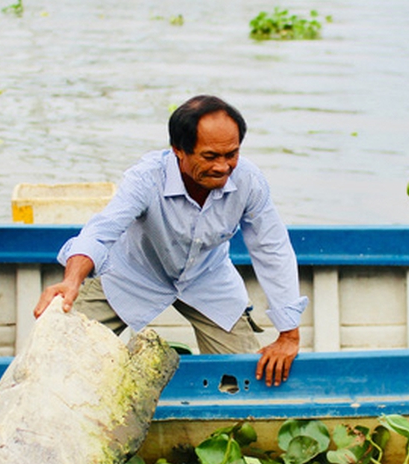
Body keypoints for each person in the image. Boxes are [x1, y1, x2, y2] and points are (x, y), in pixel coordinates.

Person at [33, 95, 308, 386]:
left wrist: (288, 334)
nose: (223, 167)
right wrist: (72, 281)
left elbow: (272, 249)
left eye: (232, 154)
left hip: (207, 278)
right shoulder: (146, 178)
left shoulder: (249, 181)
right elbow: (101, 231)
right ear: (178, 150)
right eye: (210, 156)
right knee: (57, 356)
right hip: (134, 274)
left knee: (243, 381)